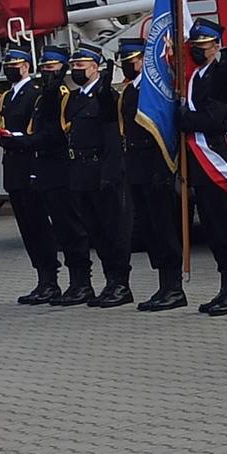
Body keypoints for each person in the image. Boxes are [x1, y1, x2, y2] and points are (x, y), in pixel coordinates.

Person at [9, 49, 95, 306]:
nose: (48, 72)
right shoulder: (44, 96)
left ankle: (81, 282)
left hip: (61, 170)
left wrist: (23, 142)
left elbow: (57, 134)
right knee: (46, 229)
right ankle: (51, 282)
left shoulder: (62, 96)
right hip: (43, 171)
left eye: (53, 67)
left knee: (70, 228)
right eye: (44, 68)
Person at [178, 19, 227, 316]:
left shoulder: (221, 74)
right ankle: (225, 287)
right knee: (212, 227)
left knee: (225, 226)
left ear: (215, 46)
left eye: (203, 46)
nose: (197, 51)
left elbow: (216, 119)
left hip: (217, 159)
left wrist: (183, 119)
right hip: (200, 164)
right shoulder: (196, 76)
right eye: (194, 47)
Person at [0, 49, 65, 305]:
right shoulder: (8, 96)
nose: (10, 69)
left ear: (26, 67)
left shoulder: (35, 93)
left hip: (31, 166)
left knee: (39, 225)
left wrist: (17, 140)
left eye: (14, 65)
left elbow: (38, 130)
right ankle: (41, 278)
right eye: (8, 66)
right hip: (14, 168)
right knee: (27, 227)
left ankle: (50, 279)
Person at [118, 39, 188, 311]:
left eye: (132, 60)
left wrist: (164, 169)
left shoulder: (154, 90)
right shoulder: (128, 92)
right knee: (149, 230)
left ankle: (174, 287)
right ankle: (163, 285)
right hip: (137, 169)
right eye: (124, 61)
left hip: (156, 167)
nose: (127, 65)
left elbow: (165, 130)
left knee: (164, 228)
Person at [61, 46, 131, 307]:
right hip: (81, 173)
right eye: (74, 65)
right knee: (95, 232)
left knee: (113, 230)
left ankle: (121, 283)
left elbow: (113, 139)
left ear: (95, 67)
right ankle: (109, 280)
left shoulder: (106, 97)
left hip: (101, 170)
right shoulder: (77, 99)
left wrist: (109, 174)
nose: (77, 70)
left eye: (82, 65)